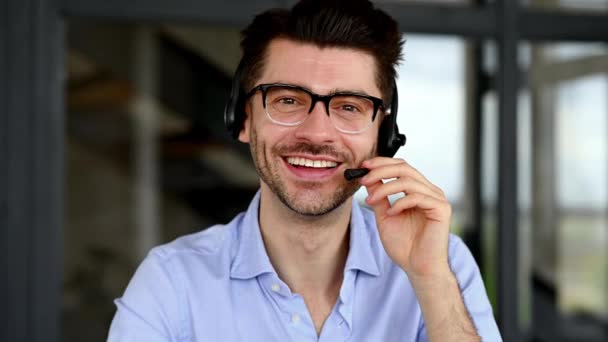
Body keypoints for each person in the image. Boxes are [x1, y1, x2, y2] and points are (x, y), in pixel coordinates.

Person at [108, 0, 502, 341]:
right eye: (288, 101)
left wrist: (430, 278)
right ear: (243, 119)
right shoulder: (171, 282)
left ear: (383, 135)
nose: (316, 133)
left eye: (349, 106)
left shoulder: (440, 263)